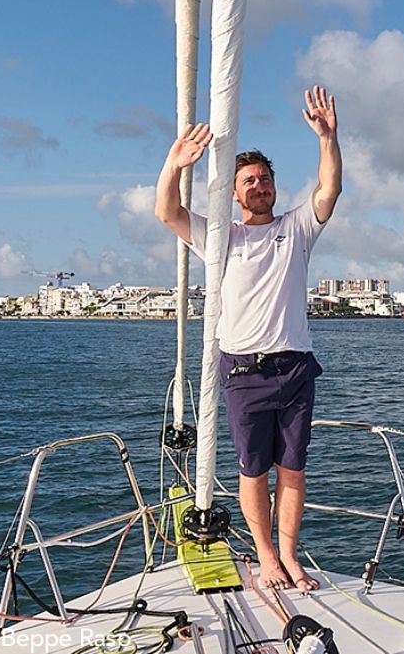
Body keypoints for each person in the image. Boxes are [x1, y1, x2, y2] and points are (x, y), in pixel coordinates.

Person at [154, 85, 342, 592]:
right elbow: (167, 213)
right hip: (243, 373)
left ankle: (288, 554)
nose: (259, 185)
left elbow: (329, 190)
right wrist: (174, 164)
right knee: (254, 472)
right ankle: (265, 556)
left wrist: (328, 137)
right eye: (249, 181)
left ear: (274, 188)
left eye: (265, 179)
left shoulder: (297, 230)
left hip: (296, 368)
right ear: (234, 194)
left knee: (293, 471)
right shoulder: (222, 237)